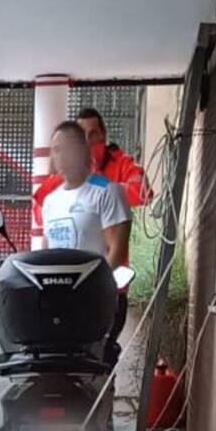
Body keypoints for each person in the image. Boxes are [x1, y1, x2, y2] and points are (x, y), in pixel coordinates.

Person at [34, 107, 149, 364]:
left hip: (98, 302)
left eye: (69, 146)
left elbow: (116, 253)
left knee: (93, 377)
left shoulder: (108, 192)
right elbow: (45, 254)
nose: (62, 154)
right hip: (57, 305)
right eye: (57, 149)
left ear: (83, 148)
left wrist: (87, 291)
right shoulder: (51, 201)